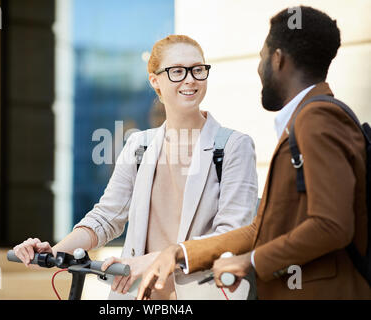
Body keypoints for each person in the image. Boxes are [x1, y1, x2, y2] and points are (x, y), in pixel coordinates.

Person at [137, 7, 371, 300]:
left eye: (262, 56)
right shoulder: (308, 120)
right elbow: (260, 228)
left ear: (278, 59)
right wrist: (181, 251)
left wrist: (250, 261)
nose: (259, 68)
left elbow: (332, 225)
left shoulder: (316, 120)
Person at [13, 35, 258, 300]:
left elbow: (233, 236)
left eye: (198, 70)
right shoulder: (139, 145)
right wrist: (56, 252)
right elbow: (107, 217)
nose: (190, 79)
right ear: (155, 81)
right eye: (177, 71)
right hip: (135, 296)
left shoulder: (234, 146)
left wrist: (157, 259)